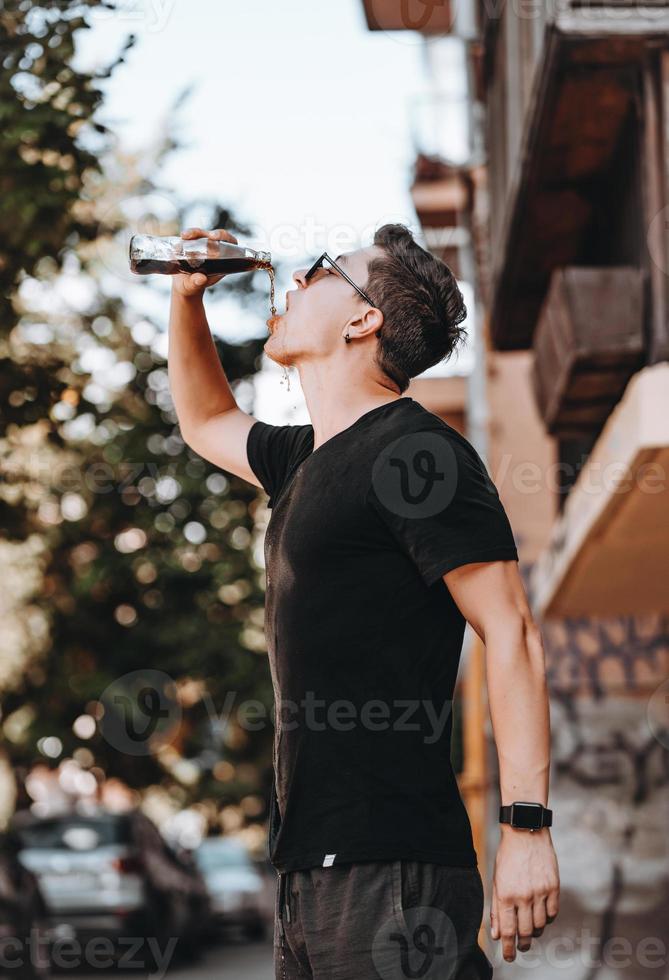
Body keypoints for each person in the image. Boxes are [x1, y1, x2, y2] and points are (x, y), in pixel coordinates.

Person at [168, 223, 560, 979]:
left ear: (361, 319)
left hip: (392, 870)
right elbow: (206, 422)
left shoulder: (416, 454)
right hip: (309, 863)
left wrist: (526, 831)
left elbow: (511, 633)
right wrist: (187, 299)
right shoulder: (304, 461)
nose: (292, 283)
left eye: (317, 271)